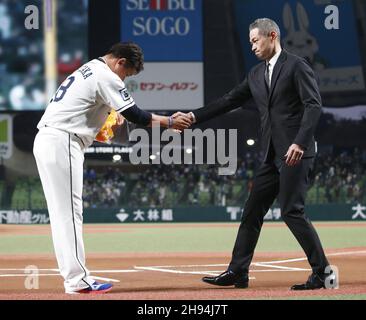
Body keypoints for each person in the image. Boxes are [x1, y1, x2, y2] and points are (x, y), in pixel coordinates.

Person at [187, 18, 336, 290]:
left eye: (256, 40)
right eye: (250, 42)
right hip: (270, 155)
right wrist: (193, 116)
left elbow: (313, 105)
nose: (252, 46)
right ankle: (238, 271)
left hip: (295, 152)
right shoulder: (256, 74)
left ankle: (323, 273)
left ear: (272, 35)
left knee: (292, 211)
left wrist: (300, 142)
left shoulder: (296, 65)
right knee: (252, 211)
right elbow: (229, 100)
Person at [33, 42, 192, 294]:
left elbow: (97, 122)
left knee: (64, 214)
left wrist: (105, 124)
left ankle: (74, 277)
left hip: (52, 139)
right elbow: (135, 115)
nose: (124, 79)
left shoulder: (88, 69)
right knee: (69, 215)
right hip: (62, 141)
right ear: (120, 62)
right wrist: (170, 121)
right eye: (126, 73)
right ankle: (76, 280)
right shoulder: (106, 75)